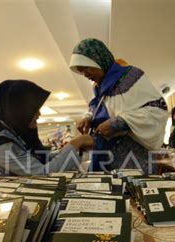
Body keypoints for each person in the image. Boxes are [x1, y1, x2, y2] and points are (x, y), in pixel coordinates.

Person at [70, 38, 168, 173]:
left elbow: (157, 109)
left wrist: (119, 122)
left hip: (134, 161)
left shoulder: (131, 77)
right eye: (81, 71)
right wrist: (89, 117)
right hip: (107, 161)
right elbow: (101, 108)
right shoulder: (100, 90)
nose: (85, 74)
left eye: (86, 67)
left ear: (99, 60)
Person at [0, 80, 94, 176]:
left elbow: (38, 156)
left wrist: (69, 148)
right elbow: (43, 174)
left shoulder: (15, 135)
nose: (39, 114)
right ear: (18, 110)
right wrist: (77, 142)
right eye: (34, 109)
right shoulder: (1, 145)